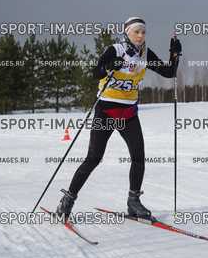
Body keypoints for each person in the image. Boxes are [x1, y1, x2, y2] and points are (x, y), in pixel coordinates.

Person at [55, 16, 182, 220]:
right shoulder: (115, 49)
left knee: (138, 157)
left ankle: (133, 202)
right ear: (127, 32)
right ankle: (68, 200)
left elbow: (169, 72)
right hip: (106, 111)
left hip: (128, 113)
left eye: (143, 32)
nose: (140, 35)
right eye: (136, 31)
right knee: (94, 158)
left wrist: (175, 54)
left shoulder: (145, 54)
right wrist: (108, 66)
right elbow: (95, 73)